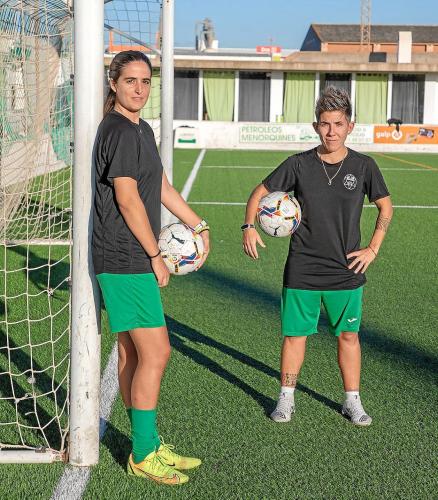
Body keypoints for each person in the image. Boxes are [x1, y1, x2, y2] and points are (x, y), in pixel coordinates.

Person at [92, 50, 210, 485]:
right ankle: (143, 453)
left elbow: (158, 184)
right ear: (113, 83)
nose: (139, 89)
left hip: (128, 256)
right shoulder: (119, 131)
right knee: (157, 352)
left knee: (132, 351)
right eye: (130, 81)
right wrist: (155, 255)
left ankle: (148, 443)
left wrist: (197, 223)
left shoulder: (140, 128)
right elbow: (127, 199)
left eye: (145, 81)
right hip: (124, 257)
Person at [242, 87, 393, 426]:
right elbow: (259, 192)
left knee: (349, 336)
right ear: (315, 126)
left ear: (350, 126)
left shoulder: (364, 166)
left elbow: (386, 206)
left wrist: (373, 248)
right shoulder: (298, 164)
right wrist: (248, 226)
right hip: (303, 268)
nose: (331, 132)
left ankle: (352, 401)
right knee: (295, 336)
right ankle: (285, 398)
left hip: (346, 269)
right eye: (325, 124)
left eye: (338, 124)